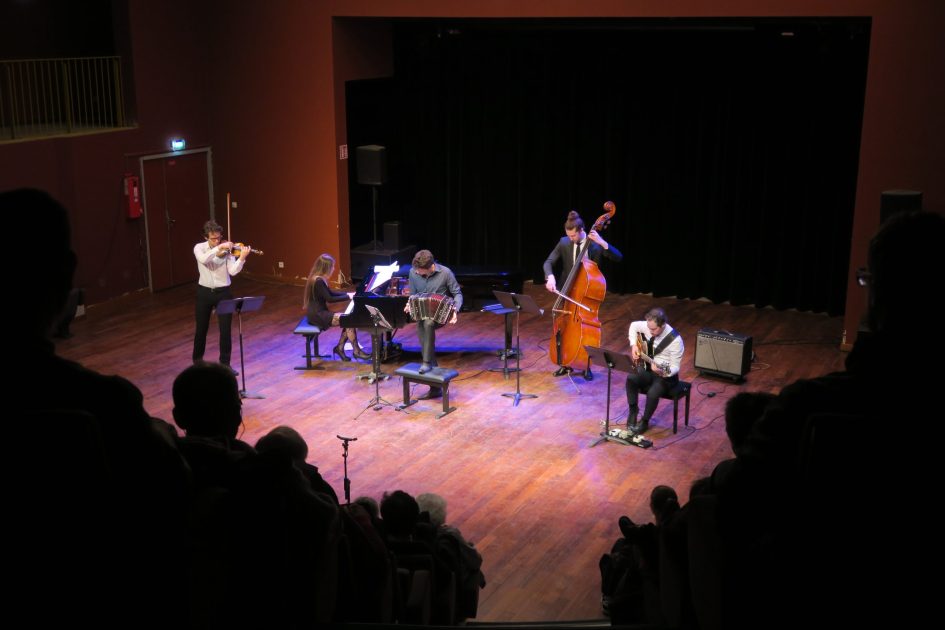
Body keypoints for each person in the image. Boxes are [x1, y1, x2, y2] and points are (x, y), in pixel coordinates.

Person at [543, 210, 623, 380]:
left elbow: (618, 257)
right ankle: (564, 362)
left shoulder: (594, 245)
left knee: (586, 331)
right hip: (567, 293)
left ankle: (586, 365)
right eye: (569, 236)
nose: (571, 239)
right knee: (564, 329)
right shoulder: (564, 242)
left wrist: (602, 242)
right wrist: (550, 277)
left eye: (573, 236)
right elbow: (549, 262)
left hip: (586, 295)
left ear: (581, 230)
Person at [192, 220, 250, 372]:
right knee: (201, 329)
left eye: (219, 237)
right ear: (206, 237)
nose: (217, 240)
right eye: (213, 238)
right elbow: (204, 259)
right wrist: (219, 247)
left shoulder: (228, 251)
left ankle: (225, 364)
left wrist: (242, 258)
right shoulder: (199, 248)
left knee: (225, 330)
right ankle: (197, 363)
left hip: (223, 293)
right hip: (204, 292)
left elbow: (232, 271)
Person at [404, 249, 463, 397]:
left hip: (441, 313)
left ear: (431, 267)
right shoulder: (413, 272)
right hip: (421, 312)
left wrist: (455, 309)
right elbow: (412, 294)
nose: (417, 273)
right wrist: (409, 304)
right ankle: (435, 385)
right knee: (422, 324)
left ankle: (426, 362)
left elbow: (457, 293)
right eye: (416, 271)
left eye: (420, 271)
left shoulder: (446, 273)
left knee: (429, 323)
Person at [625, 307, 684, 434]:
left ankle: (645, 422)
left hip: (666, 376)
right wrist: (634, 344)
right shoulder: (648, 325)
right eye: (648, 327)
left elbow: (675, 367)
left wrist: (662, 370)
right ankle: (633, 410)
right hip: (649, 368)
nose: (650, 331)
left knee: (653, 392)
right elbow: (633, 326)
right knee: (631, 378)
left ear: (662, 325)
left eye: (653, 329)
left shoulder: (675, 340)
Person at [303, 253, 370, 361]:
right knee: (349, 320)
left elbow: (330, 293)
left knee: (348, 320)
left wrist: (349, 294)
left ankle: (340, 348)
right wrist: (348, 296)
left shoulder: (318, 278)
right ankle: (355, 351)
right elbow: (330, 299)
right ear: (326, 268)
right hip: (318, 315)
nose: (333, 269)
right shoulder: (318, 281)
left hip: (318, 312)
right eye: (332, 267)